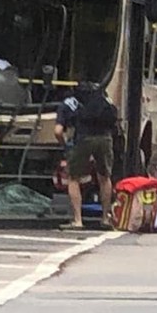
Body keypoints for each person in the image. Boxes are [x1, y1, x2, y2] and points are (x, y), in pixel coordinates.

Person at [54, 81, 117, 230]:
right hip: (105, 138)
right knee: (104, 177)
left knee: (73, 178)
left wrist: (65, 144)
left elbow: (57, 131)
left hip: (83, 138)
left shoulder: (68, 102)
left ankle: (78, 220)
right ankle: (105, 218)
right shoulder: (104, 98)